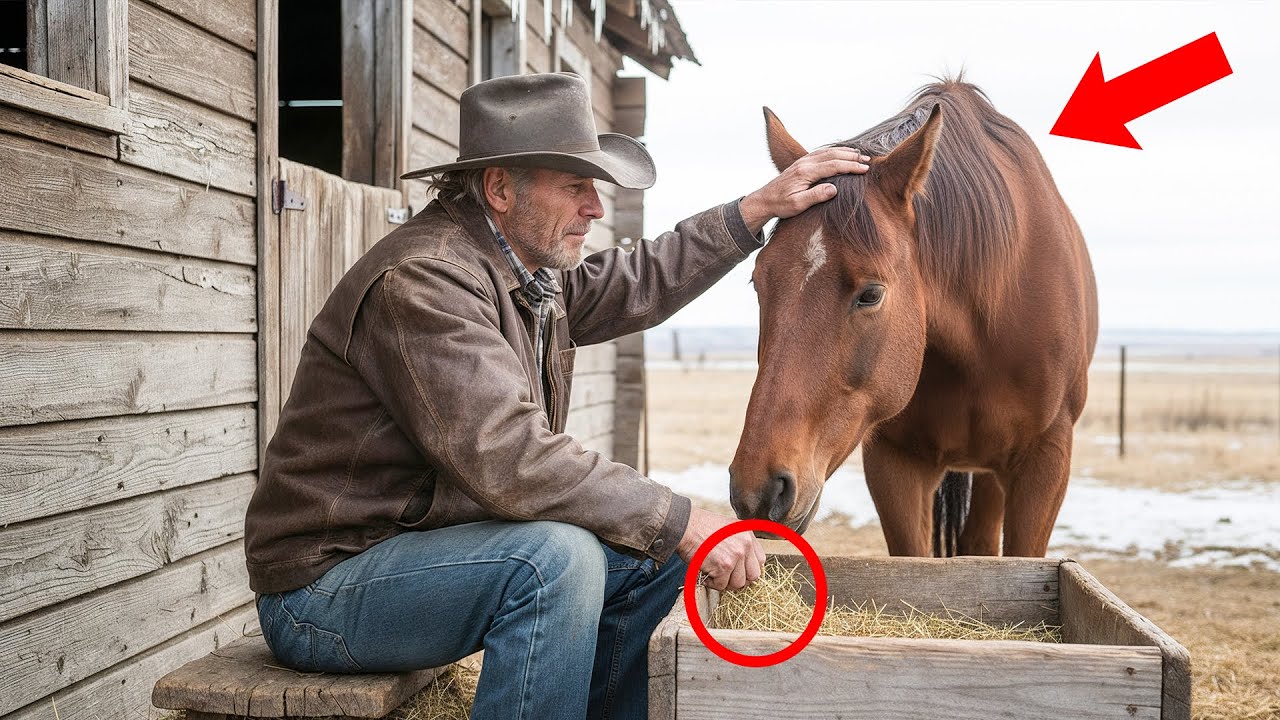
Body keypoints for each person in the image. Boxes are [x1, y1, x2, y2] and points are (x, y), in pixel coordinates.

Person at [244, 72, 869, 720]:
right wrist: (683, 519)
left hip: (415, 557)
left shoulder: (526, 277)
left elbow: (639, 279)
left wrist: (759, 207)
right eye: (576, 187)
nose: (596, 208)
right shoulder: (424, 281)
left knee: (655, 563)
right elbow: (510, 454)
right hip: (324, 587)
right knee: (555, 560)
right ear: (500, 189)